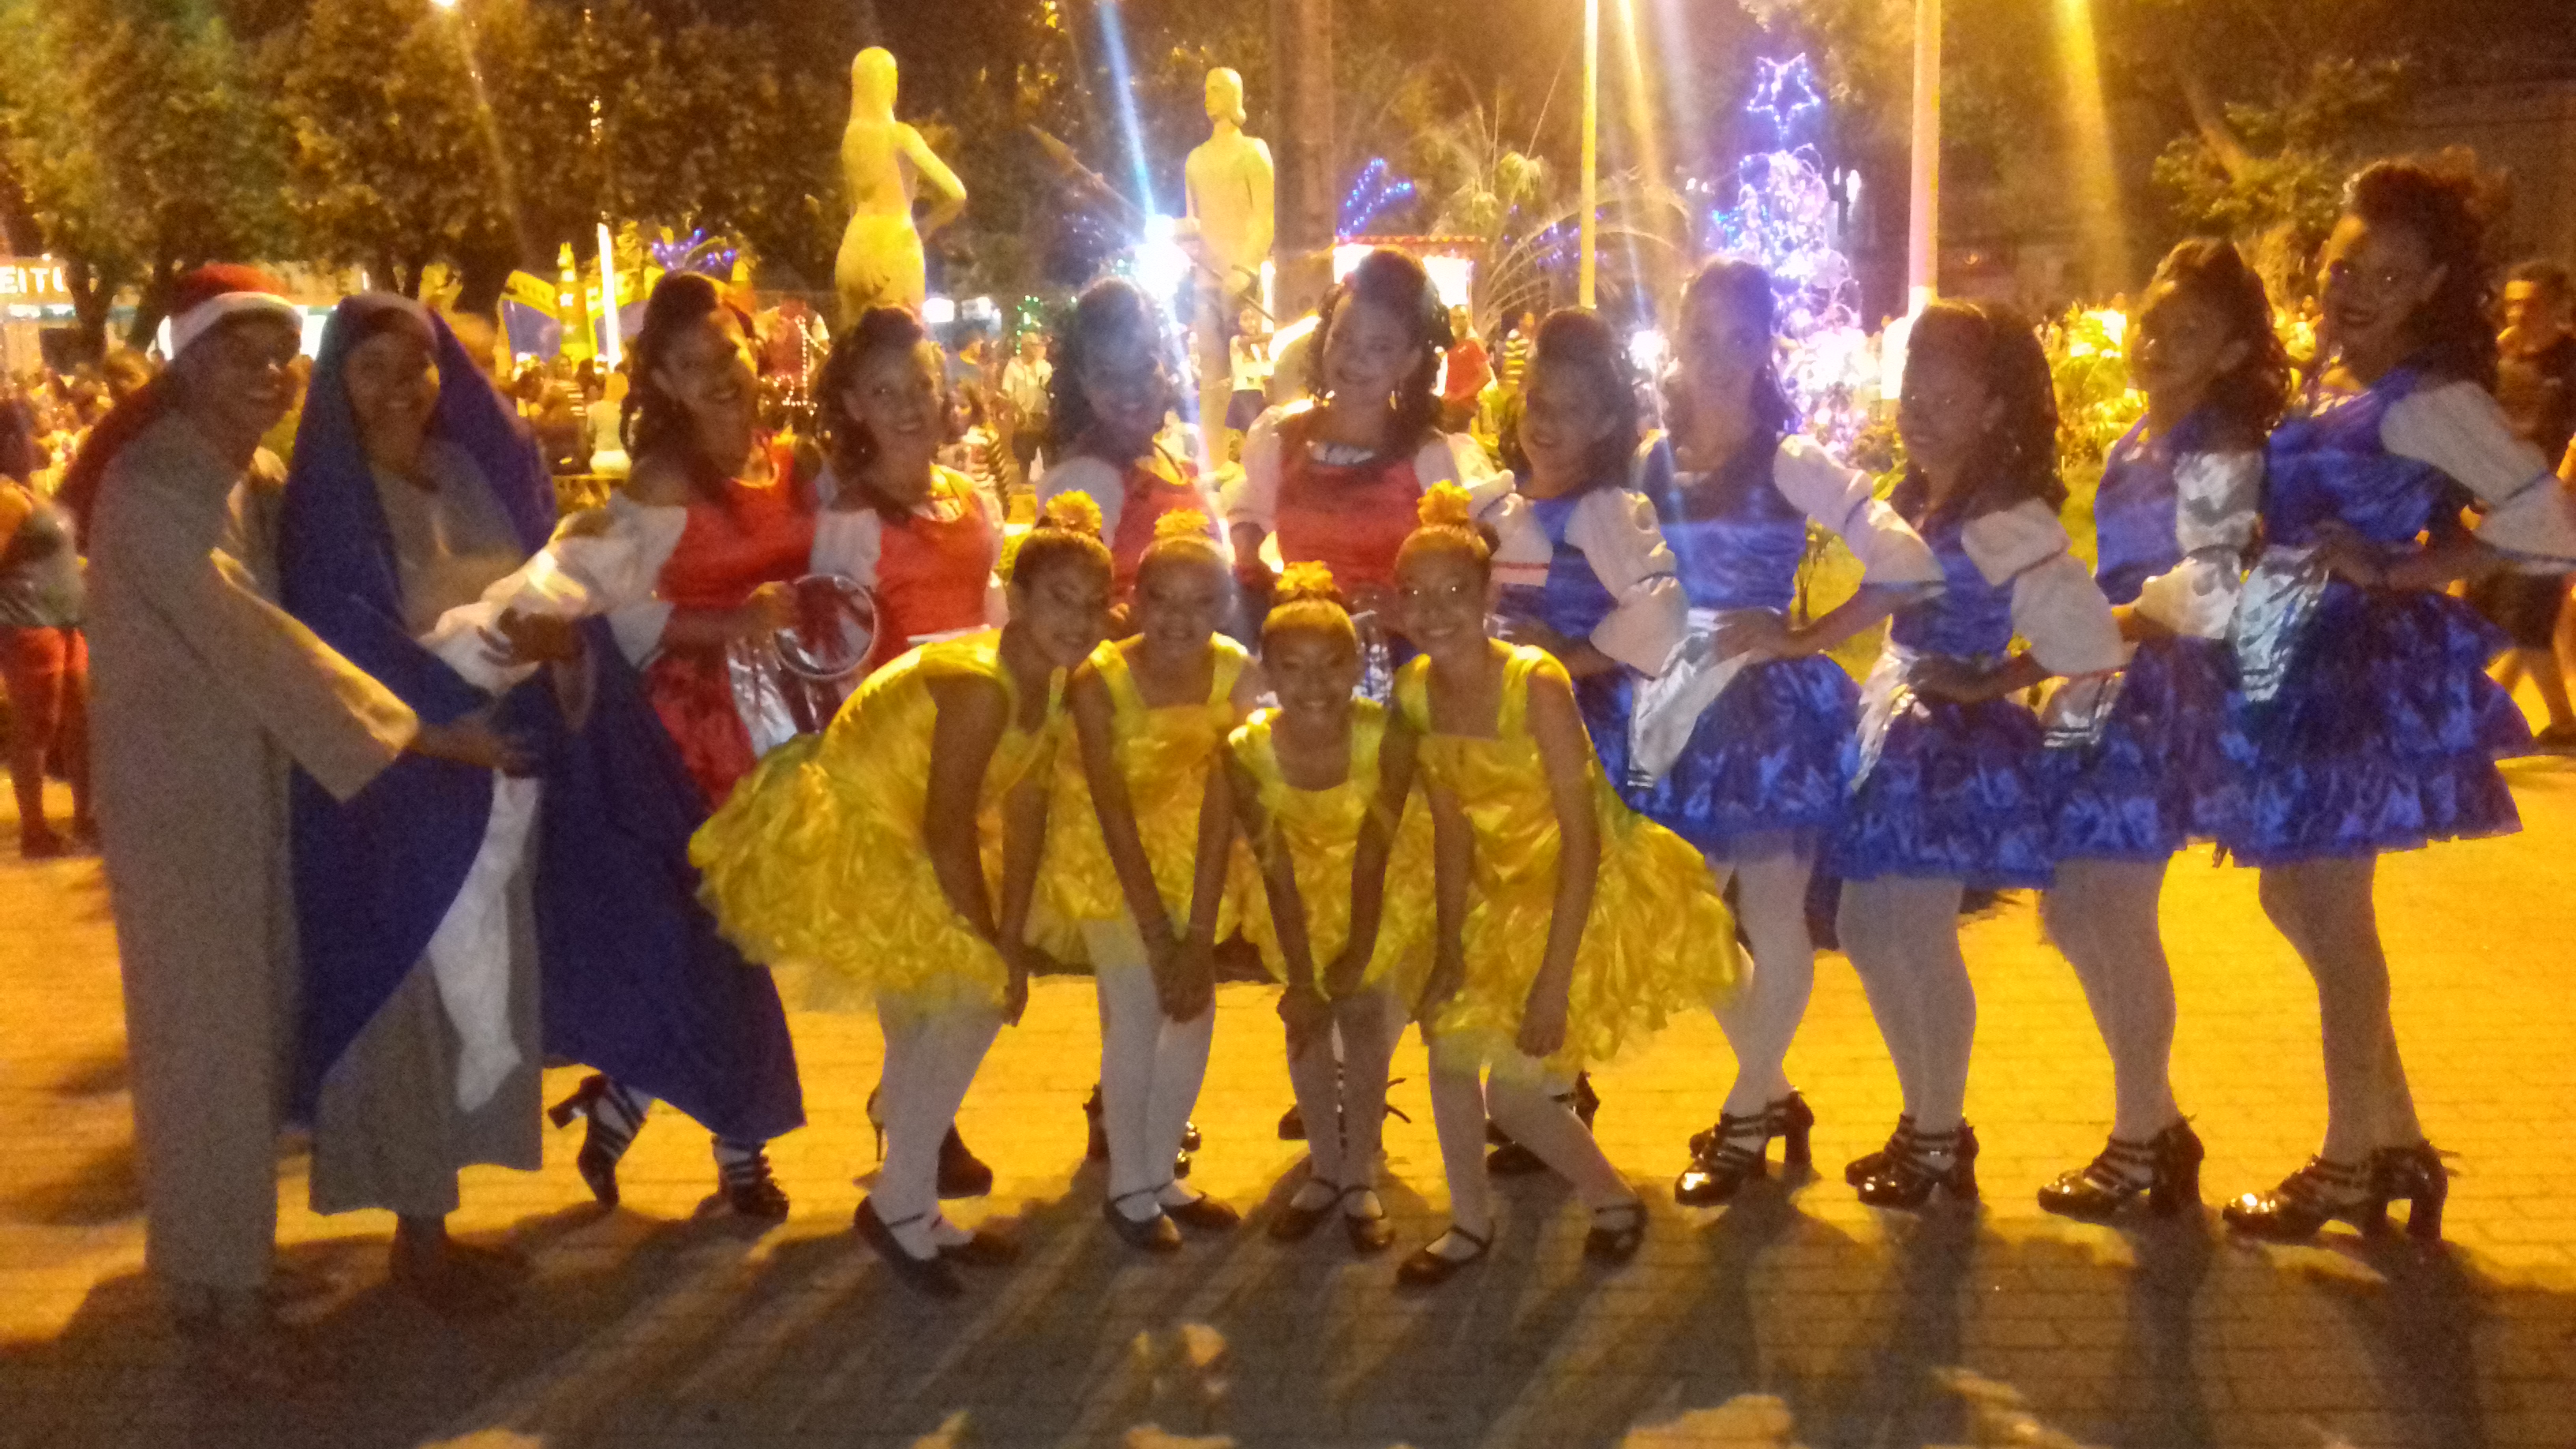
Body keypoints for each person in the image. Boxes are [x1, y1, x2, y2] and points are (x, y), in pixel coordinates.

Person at [74, 267, 511, 1380]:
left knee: (252, 1039)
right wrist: (423, 732)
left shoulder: (250, 472)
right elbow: (258, 640)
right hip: (186, 814)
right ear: (185, 363)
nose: (270, 375)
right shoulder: (157, 484)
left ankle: (224, 1268)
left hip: (258, 797)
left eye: (283, 356)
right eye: (243, 356)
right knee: (208, 1053)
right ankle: (222, 1309)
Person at [2218, 161, 2576, 1242]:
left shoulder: (2429, 398)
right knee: (2293, 898)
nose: (2356, 290)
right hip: (2288, 652)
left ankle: (2347, 1164)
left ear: (2429, 288)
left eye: (2388, 275)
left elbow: (2548, 525)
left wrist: (2402, 569)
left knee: (2331, 914)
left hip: (2354, 667)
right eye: (2344, 267)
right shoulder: (2329, 377)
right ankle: (2398, 1141)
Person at [691, 496, 1114, 1297]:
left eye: (1096, 605)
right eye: (1062, 600)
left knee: (946, 1012)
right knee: (967, 1001)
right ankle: (897, 1207)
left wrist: (1013, 939)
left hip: (914, 832)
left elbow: (1027, 804)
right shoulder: (983, 685)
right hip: (861, 827)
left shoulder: (1055, 681)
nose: (1081, 620)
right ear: (1017, 599)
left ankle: (910, 1204)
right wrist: (990, 948)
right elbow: (948, 828)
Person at [1621, 260, 1942, 1208]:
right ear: (1677, 339)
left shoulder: (1789, 458)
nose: (1719, 357)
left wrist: (1804, 636)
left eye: (1740, 337)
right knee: (1681, 917)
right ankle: (1774, 1093)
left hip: (1764, 715)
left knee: (1768, 913)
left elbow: (1906, 562)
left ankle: (1746, 1112)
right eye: (1703, 336)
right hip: (1674, 704)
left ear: (1766, 347)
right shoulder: (1651, 459)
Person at [507, 272, 816, 1209]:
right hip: (692, 735)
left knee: (732, 939)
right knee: (727, 938)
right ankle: (739, 1154)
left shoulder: (791, 461)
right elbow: (617, 613)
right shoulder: (664, 482)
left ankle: (623, 1103)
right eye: (691, 363)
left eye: (726, 350)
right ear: (666, 384)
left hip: (785, 723)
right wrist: (733, 624)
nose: (717, 373)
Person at [1384, 484, 1740, 1286]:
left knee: (1514, 1098)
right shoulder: (1414, 692)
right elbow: (1451, 829)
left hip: (1578, 897)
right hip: (1495, 898)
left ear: (1489, 596)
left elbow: (1583, 841)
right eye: (1415, 594)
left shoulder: (1534, 682)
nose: (1433, 611)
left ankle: (1613, 1202)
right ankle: (1468, 1224)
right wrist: (1449, 948)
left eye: (1454, 591)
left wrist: (1552, 984)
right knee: (1448, 1057)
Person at [1829, 298, 2124, 1211]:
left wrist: (1988, 681)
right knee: (1863, 929)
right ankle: (1926, 1123)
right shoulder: (1920, 499)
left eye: (1946, 395)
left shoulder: (2002, 517)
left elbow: (2089, 637)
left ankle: (1938, 1136)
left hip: (1947, 752)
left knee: (1914, 937)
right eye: (1913, 389)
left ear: (1996, 409)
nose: (1919, 410)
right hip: (1892, 727)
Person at [2035, 241, 2284, 1220]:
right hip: (2104, 678)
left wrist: (2102, 629)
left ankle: (2141, 1139)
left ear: (2231, 352)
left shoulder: (2219, 444)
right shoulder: (2137, 439)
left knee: (2114, 912)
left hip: (2162, 689)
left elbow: (2211, 589)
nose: (2158, 344)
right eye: (2153, 324)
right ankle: (2158, 1124)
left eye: (2189, 332)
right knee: (2073, 912)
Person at [1481, 308, 1687, 1166]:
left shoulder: (1605, 510)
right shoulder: (1496, 502)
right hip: (1501, 736)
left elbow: (1662, 608)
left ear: (1606, 422)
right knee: (1517, 899)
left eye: (1569, 408)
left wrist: (1569, 659)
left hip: (1574, 730)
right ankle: (1536, 1086)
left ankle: (1553, 1090)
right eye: (1537, 400)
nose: (1545, 421)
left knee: (1566, 894)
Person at [1047, 511, 1258, 1249]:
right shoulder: (1099, 680)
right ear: (1133, 601)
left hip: (1200, 855)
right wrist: (1156, 933)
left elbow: (1234, 799)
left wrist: (1195, 936)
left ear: (1224, 606)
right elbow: (1110, 812)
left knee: (1194, 1010)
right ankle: (1128, 1187)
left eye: (1200, 602)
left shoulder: (1237, 672)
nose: (1178, 619)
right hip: (1106, 857)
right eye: (1162, 599)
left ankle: (1161, 1170)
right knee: (1136, 1007)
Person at [1228, 563, 1435, 1255]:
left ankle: (1360, 1171)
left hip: (1375, 890)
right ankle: (1323, 1166)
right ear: (1268, 672)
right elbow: (1273, 865)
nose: (1313, 684)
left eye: (1330, 665)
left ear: (1356, 666)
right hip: (1294, 900)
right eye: (1293, 668)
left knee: (1367, 1022)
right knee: (1307, 1023)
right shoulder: (1247, 749)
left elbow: (1375, 850)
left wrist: (1357, 951)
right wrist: (1302, 976)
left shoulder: (1385, 735)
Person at [1230, 250, 1510, 623]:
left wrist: (1405, 610)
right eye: (1342, 338)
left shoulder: (1428, 457)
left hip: (1399, 651)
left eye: (1379, 347)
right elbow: (1249, 510)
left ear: (1410, 361)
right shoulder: (1280, 439)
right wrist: (1250, 561)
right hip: (1304, 650)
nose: (1355, 358)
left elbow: (1468, 567)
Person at [813, 306, 1009, 672]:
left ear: (942, 389)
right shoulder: (850, 524)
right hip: (898, 703)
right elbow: (839, 657)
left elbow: (996, 615)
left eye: (922, 386)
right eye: (884, 392)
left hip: (985, 693)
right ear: (855, 405)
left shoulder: (973, 499)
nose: (907, 407)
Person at [1038, 279, 1227, 601]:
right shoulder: (1084, 482)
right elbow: (1060, 611)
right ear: (1082, 381)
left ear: (1165, 360)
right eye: (1108, 375)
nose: (1130, 388)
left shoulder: (1167, 459)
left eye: (1143, 365)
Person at [2466, 259, 2576, 747]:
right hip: (2499, 503)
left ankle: (2514, 722)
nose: (2517, 314)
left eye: (2530, 305)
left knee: (2527, 619)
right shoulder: (2503, 361)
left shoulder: (2570, 364)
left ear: (2559, 306)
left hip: (2552, 508)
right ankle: (2559, 723)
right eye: (2511, 304)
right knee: (2496, 616)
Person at [0, 402, 88, 856]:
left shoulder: (32, 492)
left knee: (79, 719)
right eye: (19, 435)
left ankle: (86, 815)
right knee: (38, 724)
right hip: (29, 621)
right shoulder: (6, 499)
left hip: (67, 618)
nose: (30, 443)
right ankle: (34, 830)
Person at [1000, 329, 1053, 493]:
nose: (1037, 348)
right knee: (1024, 457)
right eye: (1033, 345)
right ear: (1024, 346)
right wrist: (1018, 411)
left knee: (1048, 457)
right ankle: (1024, 488)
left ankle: (1049, 489)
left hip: (1044, 418)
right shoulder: (1013, 366)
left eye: (1038, 345)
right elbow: (1008, 391)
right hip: (1024, 420)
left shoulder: (1045, 366)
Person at [1440, 305, 1492, 434]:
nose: (1459, 322)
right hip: (1450, 407)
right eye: (1455, 318)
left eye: (1462, 317)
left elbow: (1486, 376)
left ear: (1469, 320)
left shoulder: (1473, 345)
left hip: (1466, 409)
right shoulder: (1451, 346)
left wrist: (1461, 395)